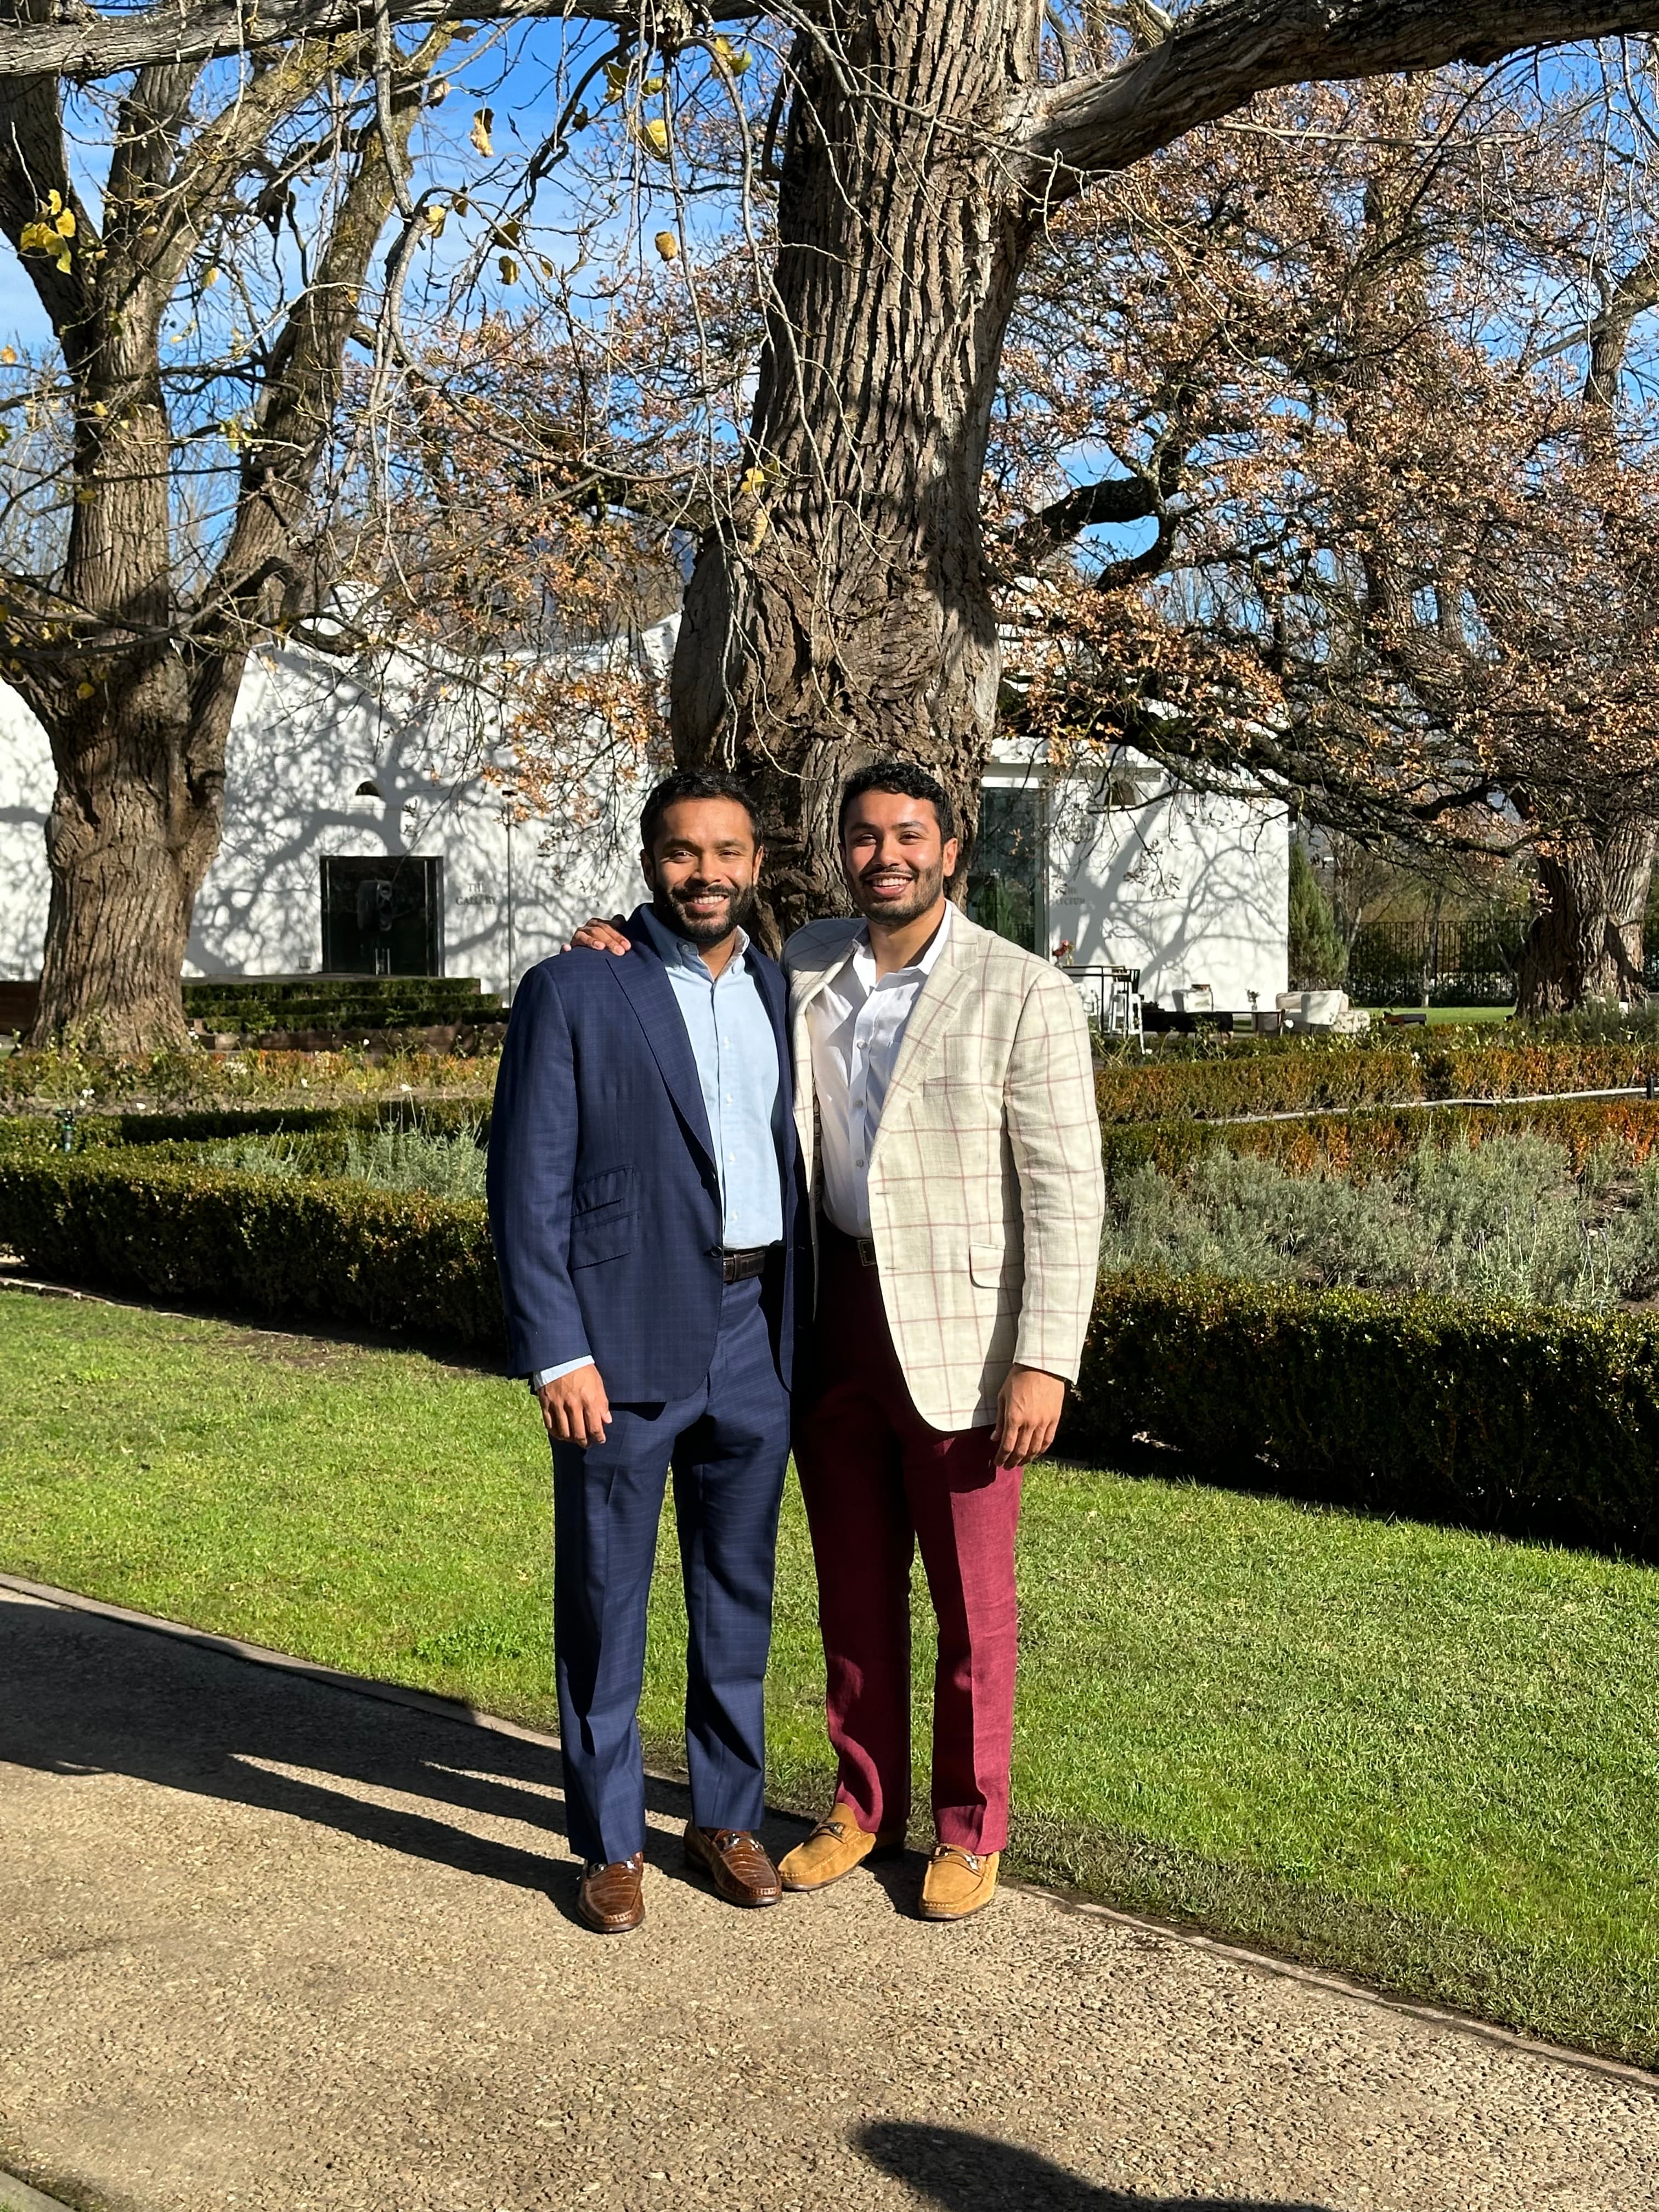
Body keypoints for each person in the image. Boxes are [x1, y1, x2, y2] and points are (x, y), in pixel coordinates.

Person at [573, 759, 1104, 1923]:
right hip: (821, 1325)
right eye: (865, 838)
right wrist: (614, 935)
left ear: (953, 850)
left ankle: (971, 1828)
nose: (887, 857)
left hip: (968, 1341)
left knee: (974, 1602)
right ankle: (862, 1807)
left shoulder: (1024, 993)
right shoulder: (806, 963)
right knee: (853, 1592)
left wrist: (1045, 1357)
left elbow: (1068, 1192)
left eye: (910, 836)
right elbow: (689, 961)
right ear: (840, 851)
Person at [488, 770, 804, 1936]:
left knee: (738, 1594)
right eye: (683, 853)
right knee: (606, 1598)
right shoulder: (577, 988)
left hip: (756, 1336)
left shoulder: (782, 988)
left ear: (756, 863)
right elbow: (528, 1187)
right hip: (617, 1347)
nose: (706, 872)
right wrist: (556, 1352)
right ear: (648, 858)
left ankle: (725, 1815)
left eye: (727, 851)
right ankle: (609, 1838)